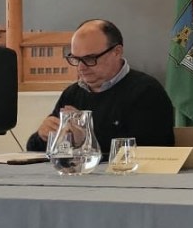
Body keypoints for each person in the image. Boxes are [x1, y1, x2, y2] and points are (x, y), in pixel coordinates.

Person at [29, 18, 174, 152]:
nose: (81, 67)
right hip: (78, 177)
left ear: (117, 52)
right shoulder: (73, 94)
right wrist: (43, 136)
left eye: (90, 58)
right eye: (76, 59)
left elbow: (152, 151)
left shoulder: (146, 91)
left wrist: (85, 138)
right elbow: (34, 150)